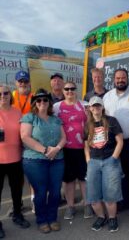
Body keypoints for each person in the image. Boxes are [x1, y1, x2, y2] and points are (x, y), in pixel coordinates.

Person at [20, 88, 66, 233]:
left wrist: (56, 149)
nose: (42, 102)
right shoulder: (29, 117)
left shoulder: (56, 119)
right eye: (38, 100)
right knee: (40, 192)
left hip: (57, 159)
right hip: (35, 160)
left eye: (45, 99)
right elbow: (25, 137)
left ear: (49, 102)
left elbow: (64, 138)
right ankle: (41, 220)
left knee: (55, 192)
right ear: (35, 103)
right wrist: (46, 150)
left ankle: (52, 218)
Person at [103, 68, 129, 217]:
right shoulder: (107, 97)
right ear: (113, 80)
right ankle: (125, 201)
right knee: (120, 174)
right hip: (114, 143)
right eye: (118, 78)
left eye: (123, 78)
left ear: (127, 78)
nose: (120, 80)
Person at [53, 81, 92, 220]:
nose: (70, 91)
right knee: (68, 180)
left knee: (84, 178)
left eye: (72, 89)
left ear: (76, 90)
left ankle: (87, 204)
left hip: (83, 148)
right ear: (63, 91)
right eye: (67, 89)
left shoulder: (84, 105)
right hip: (66, 149)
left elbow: (90, 124)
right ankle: (70, 207)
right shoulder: (57, 107)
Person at [84, 96, 123, 232]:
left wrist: (113, 158)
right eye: (93, 106)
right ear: (89, 108)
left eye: (98, 105)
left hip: (109, 160)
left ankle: (112, 218)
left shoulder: (111, 121)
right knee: (93, 195)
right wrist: (88, 160)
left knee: (110, 194)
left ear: (102, 107)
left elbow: (120, 141)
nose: (96, 108)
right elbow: (86, 145)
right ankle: (101, 217)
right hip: (93, 162)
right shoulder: (87, 124)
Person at [0, 84, 30, 238]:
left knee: (17, 191)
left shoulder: (17, 112)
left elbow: (23, 134)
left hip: (15, 158)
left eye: (5, 93)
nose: (3, 96)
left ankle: (17, 215)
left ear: (9, 95)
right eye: (0, 94)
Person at [12, 70, 35, 214]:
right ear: (16, 83)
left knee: (32, 173)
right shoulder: (10, 96)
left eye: (25, 81)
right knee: (16, 175)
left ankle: (34, 202)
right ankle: (18, 203)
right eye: (20, 81)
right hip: (14, 140)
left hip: (30, 139)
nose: (23, 84)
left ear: (29, 83)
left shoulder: (34, 97)